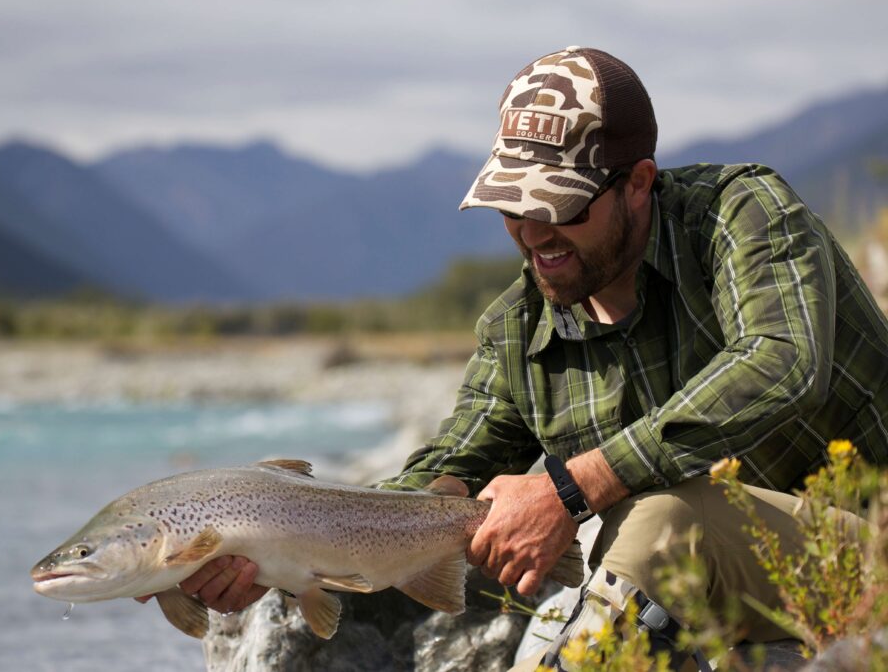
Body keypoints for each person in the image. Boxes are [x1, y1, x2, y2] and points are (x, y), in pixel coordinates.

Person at [151, 46, 888, 667]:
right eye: (513, 205)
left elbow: (782, 361)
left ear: (638, 184)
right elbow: (440, 480)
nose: (533, 234)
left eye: (560, 206)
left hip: (866, 553)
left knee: (662, 519)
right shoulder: (519, 329)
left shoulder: (742, 217)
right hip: (730, 601)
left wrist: (571, 488)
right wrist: (277, 551)